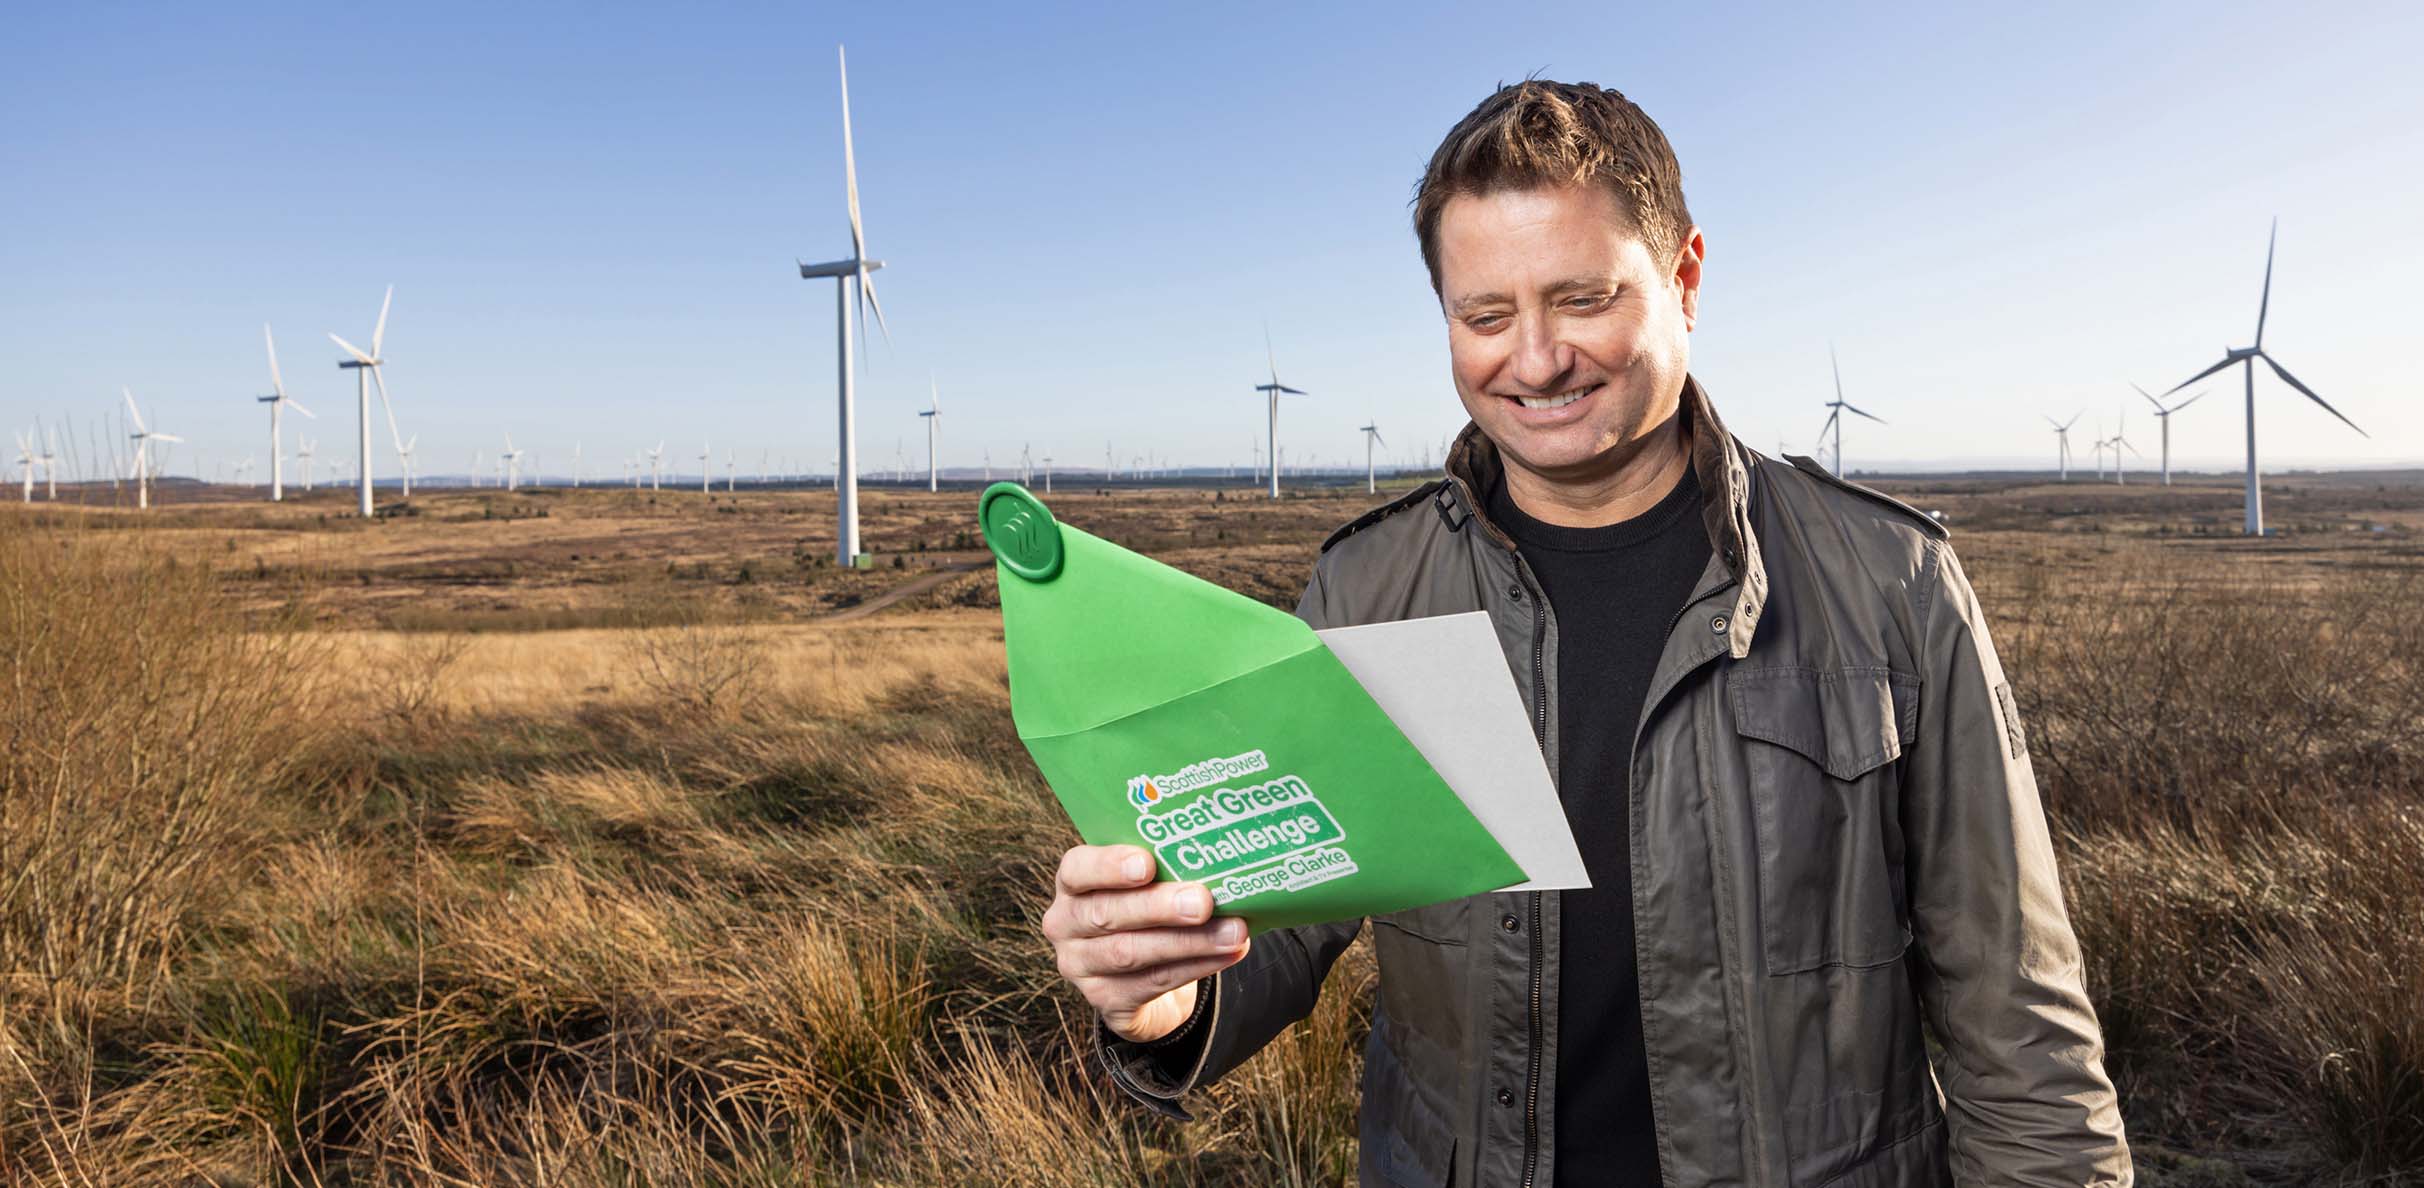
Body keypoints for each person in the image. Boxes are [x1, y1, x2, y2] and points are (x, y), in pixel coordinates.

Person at [1040, 78, 2129, 1188]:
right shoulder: (1368, 587)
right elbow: (1285, 913)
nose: (1536, 358)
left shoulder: (1890, 581)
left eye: (1582, 299)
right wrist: (1170, 997)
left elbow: (2020, 1021)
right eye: (1486, 316)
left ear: (1686, 279)